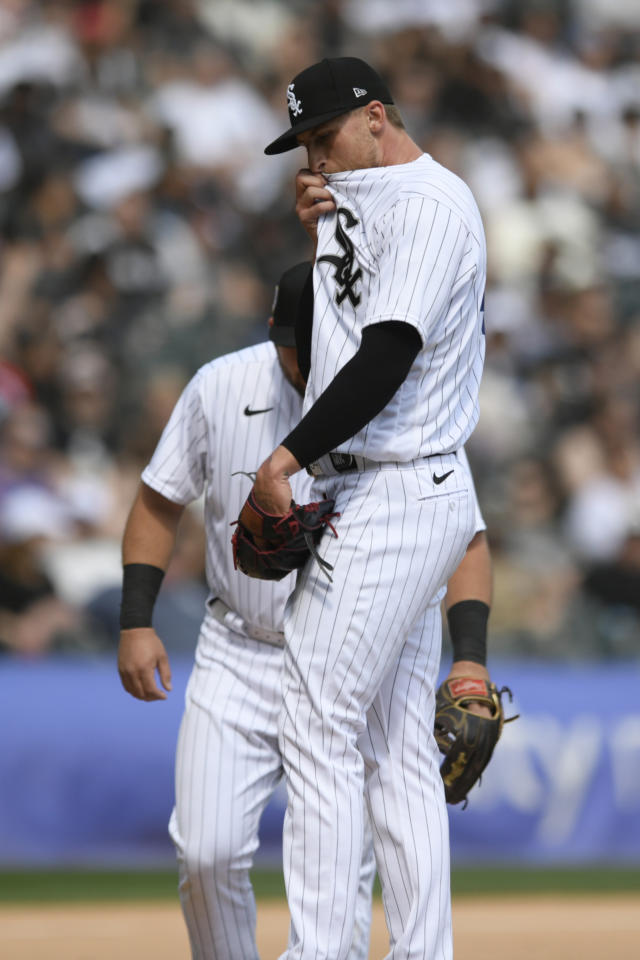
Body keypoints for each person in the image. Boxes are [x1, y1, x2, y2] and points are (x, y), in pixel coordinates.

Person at [117, 261, 492, 959]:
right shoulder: (222, 385)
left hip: (357, 657)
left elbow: (464, 535)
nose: (312, 364)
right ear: (274, 331)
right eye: (301, 349)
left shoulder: (399, 395)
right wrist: (136, 618)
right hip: (242, 644)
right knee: (206, 852)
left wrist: (469, 653)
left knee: (340, 857)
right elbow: (158, 500)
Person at [256, 57, 489, 959]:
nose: (317, 159)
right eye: (306, 145)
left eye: (325, 137)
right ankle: (421, 951)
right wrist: (319, 239)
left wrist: (284, 457)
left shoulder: (431, 205)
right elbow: (331, 344)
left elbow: (386, 357)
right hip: (382, 484)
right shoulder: (356, 201)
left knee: (315, 722)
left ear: (378, 117)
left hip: (395, 484)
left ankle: (322, 950)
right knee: (394, 749)